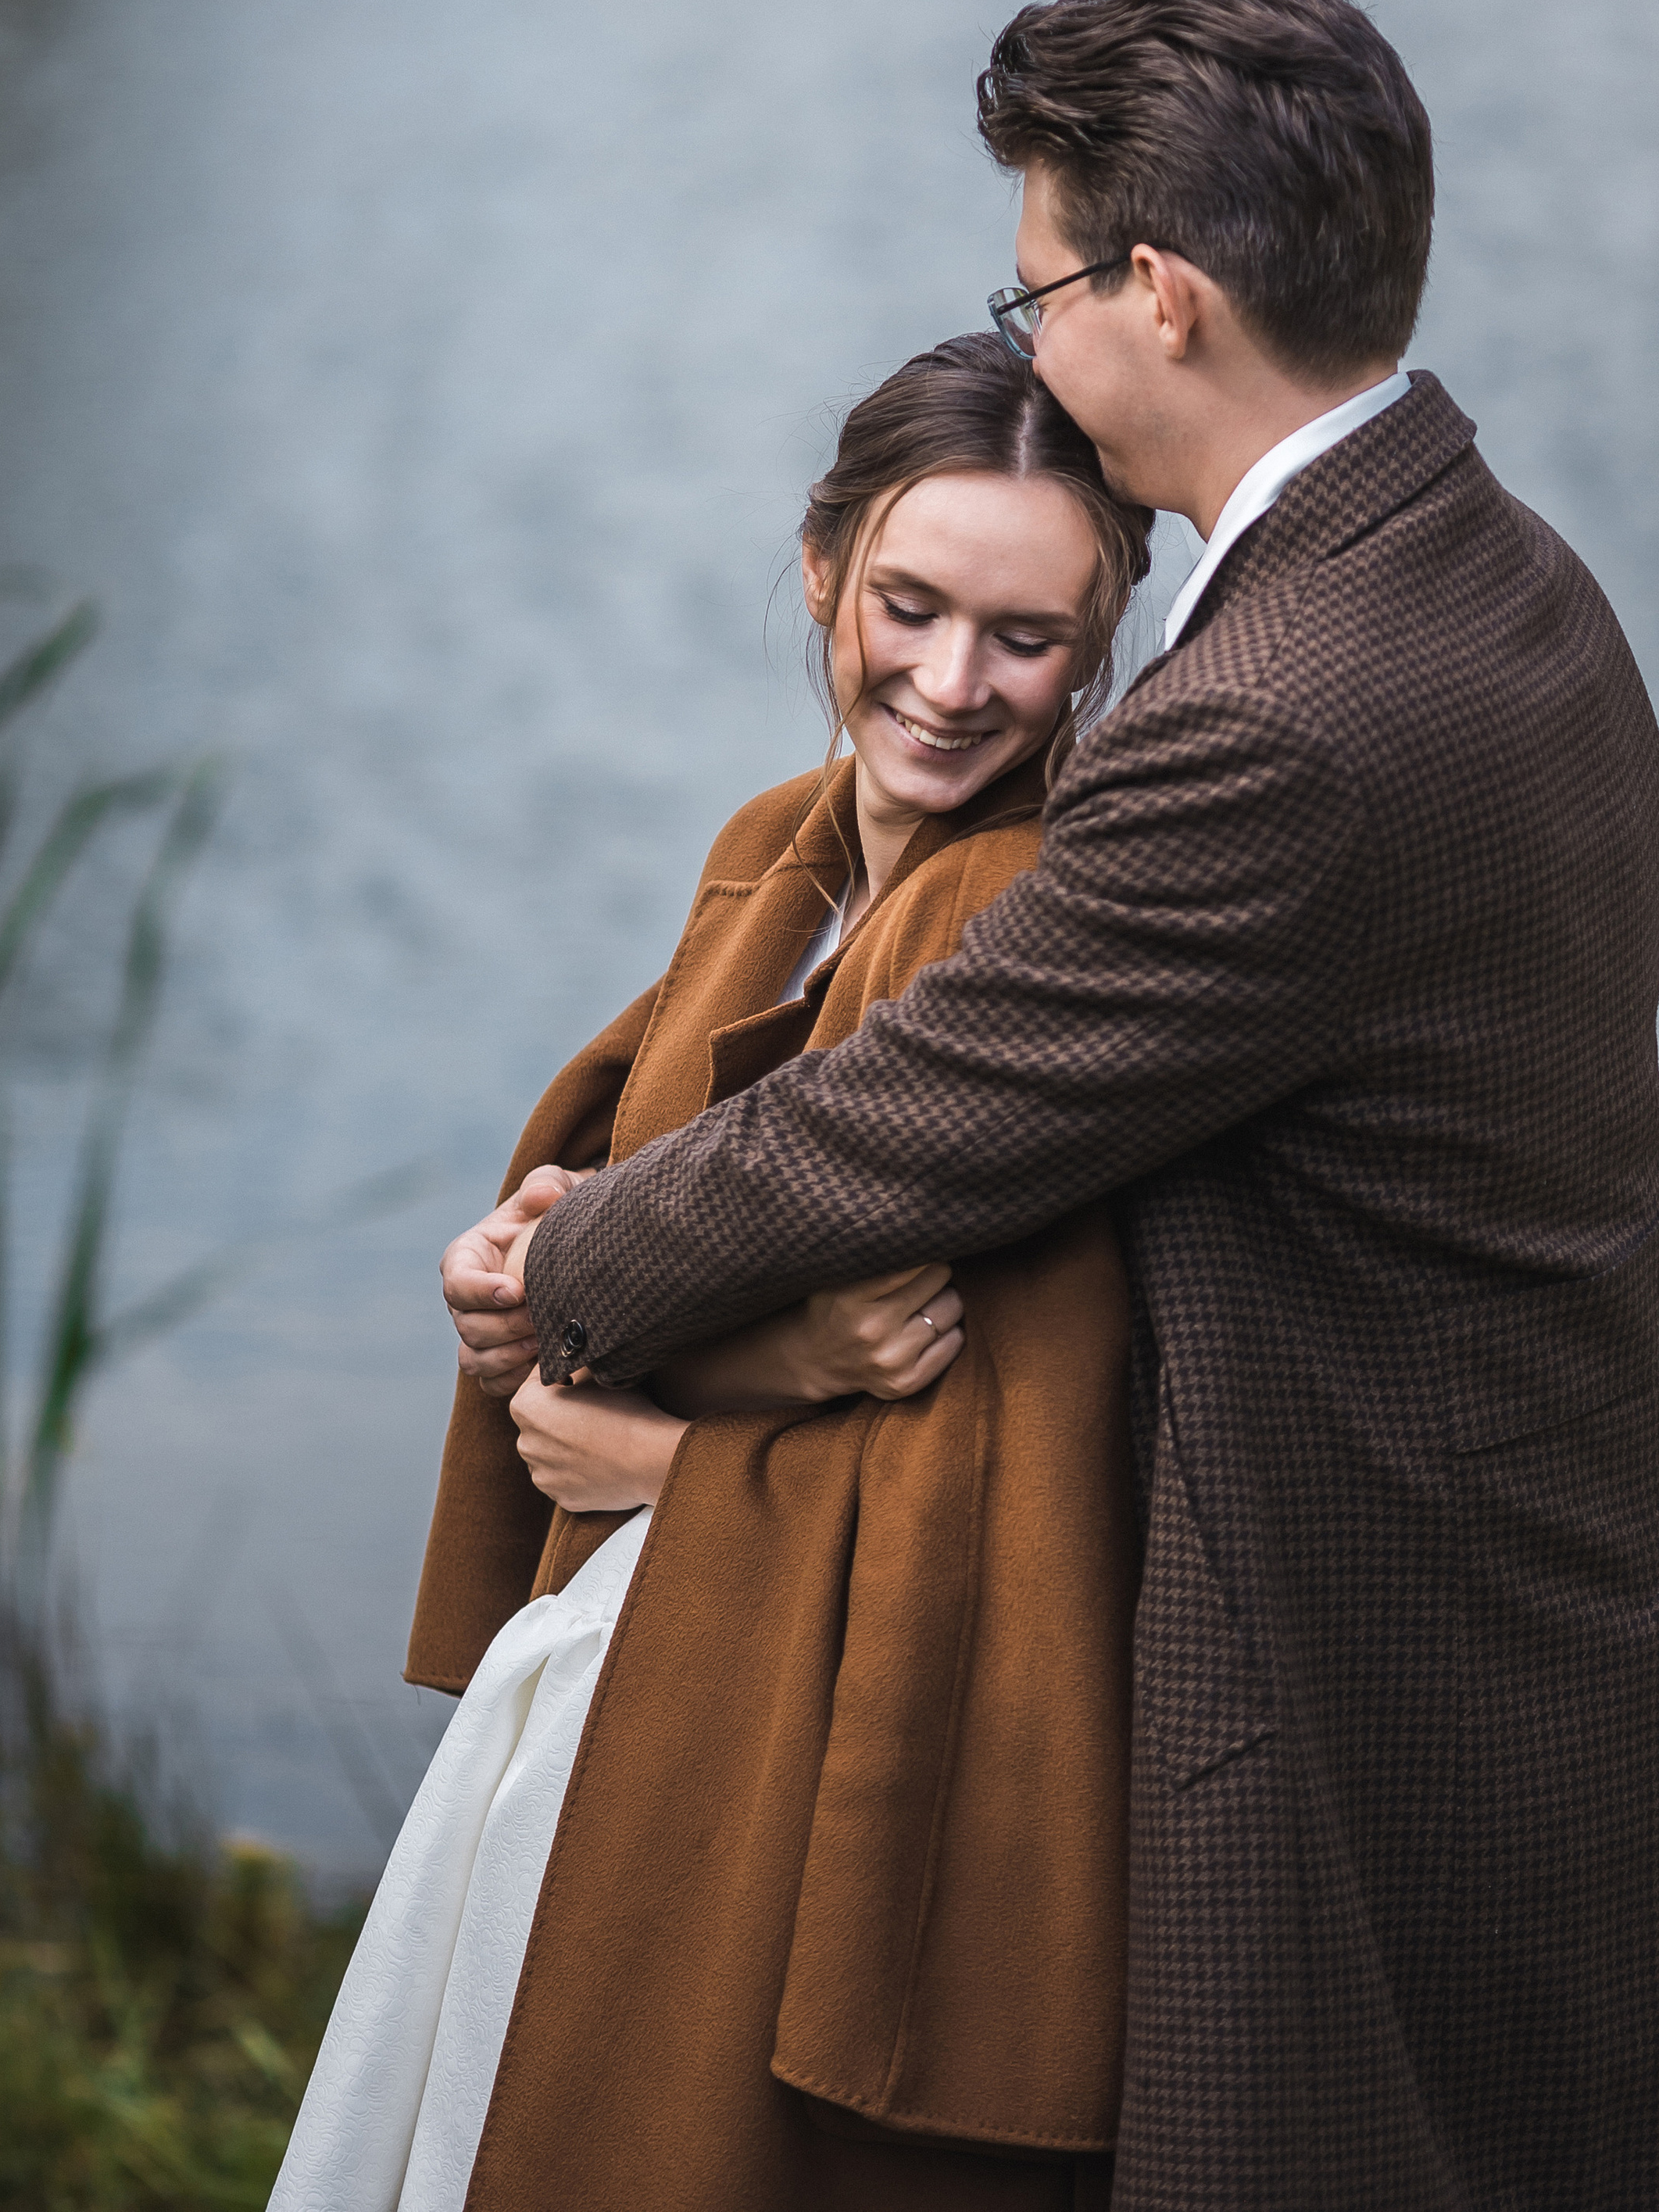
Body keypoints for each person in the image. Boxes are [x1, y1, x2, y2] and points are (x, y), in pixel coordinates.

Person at [459, 0, 1659, 2209]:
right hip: (1548, 1644)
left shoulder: (1275, 717)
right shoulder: (1515, 580)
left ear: (1159, 297)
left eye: (1035, 284)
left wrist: (578, 1267)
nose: (1030, 335)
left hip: (1359, 1703)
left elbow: (912, 1113)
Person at [270, 334, 1153, 2212]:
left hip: (795, 1722)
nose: (945, 683)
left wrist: (682, 1458)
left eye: (1027, 637)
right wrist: (522, 1270)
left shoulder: (1027, 915)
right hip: (635, 1639)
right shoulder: (778, 846)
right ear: (823, 561)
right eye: (907, 606)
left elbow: (1028, 1445)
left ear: (1104, 637)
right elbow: (626, 1199)